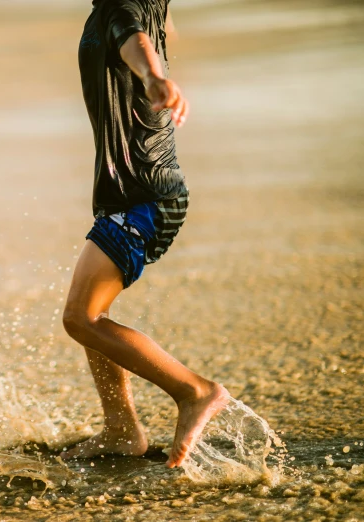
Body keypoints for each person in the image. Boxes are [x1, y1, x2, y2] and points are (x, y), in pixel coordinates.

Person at [60, 0, 229, 468]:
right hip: (130, 196)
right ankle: (121, 428)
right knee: (96, 314)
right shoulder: (130, 5)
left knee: (81, 318)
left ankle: (194, 391)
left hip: (145, 200)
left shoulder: (120, 5)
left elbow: (132, 35)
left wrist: (153, 75)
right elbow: (141, 28)